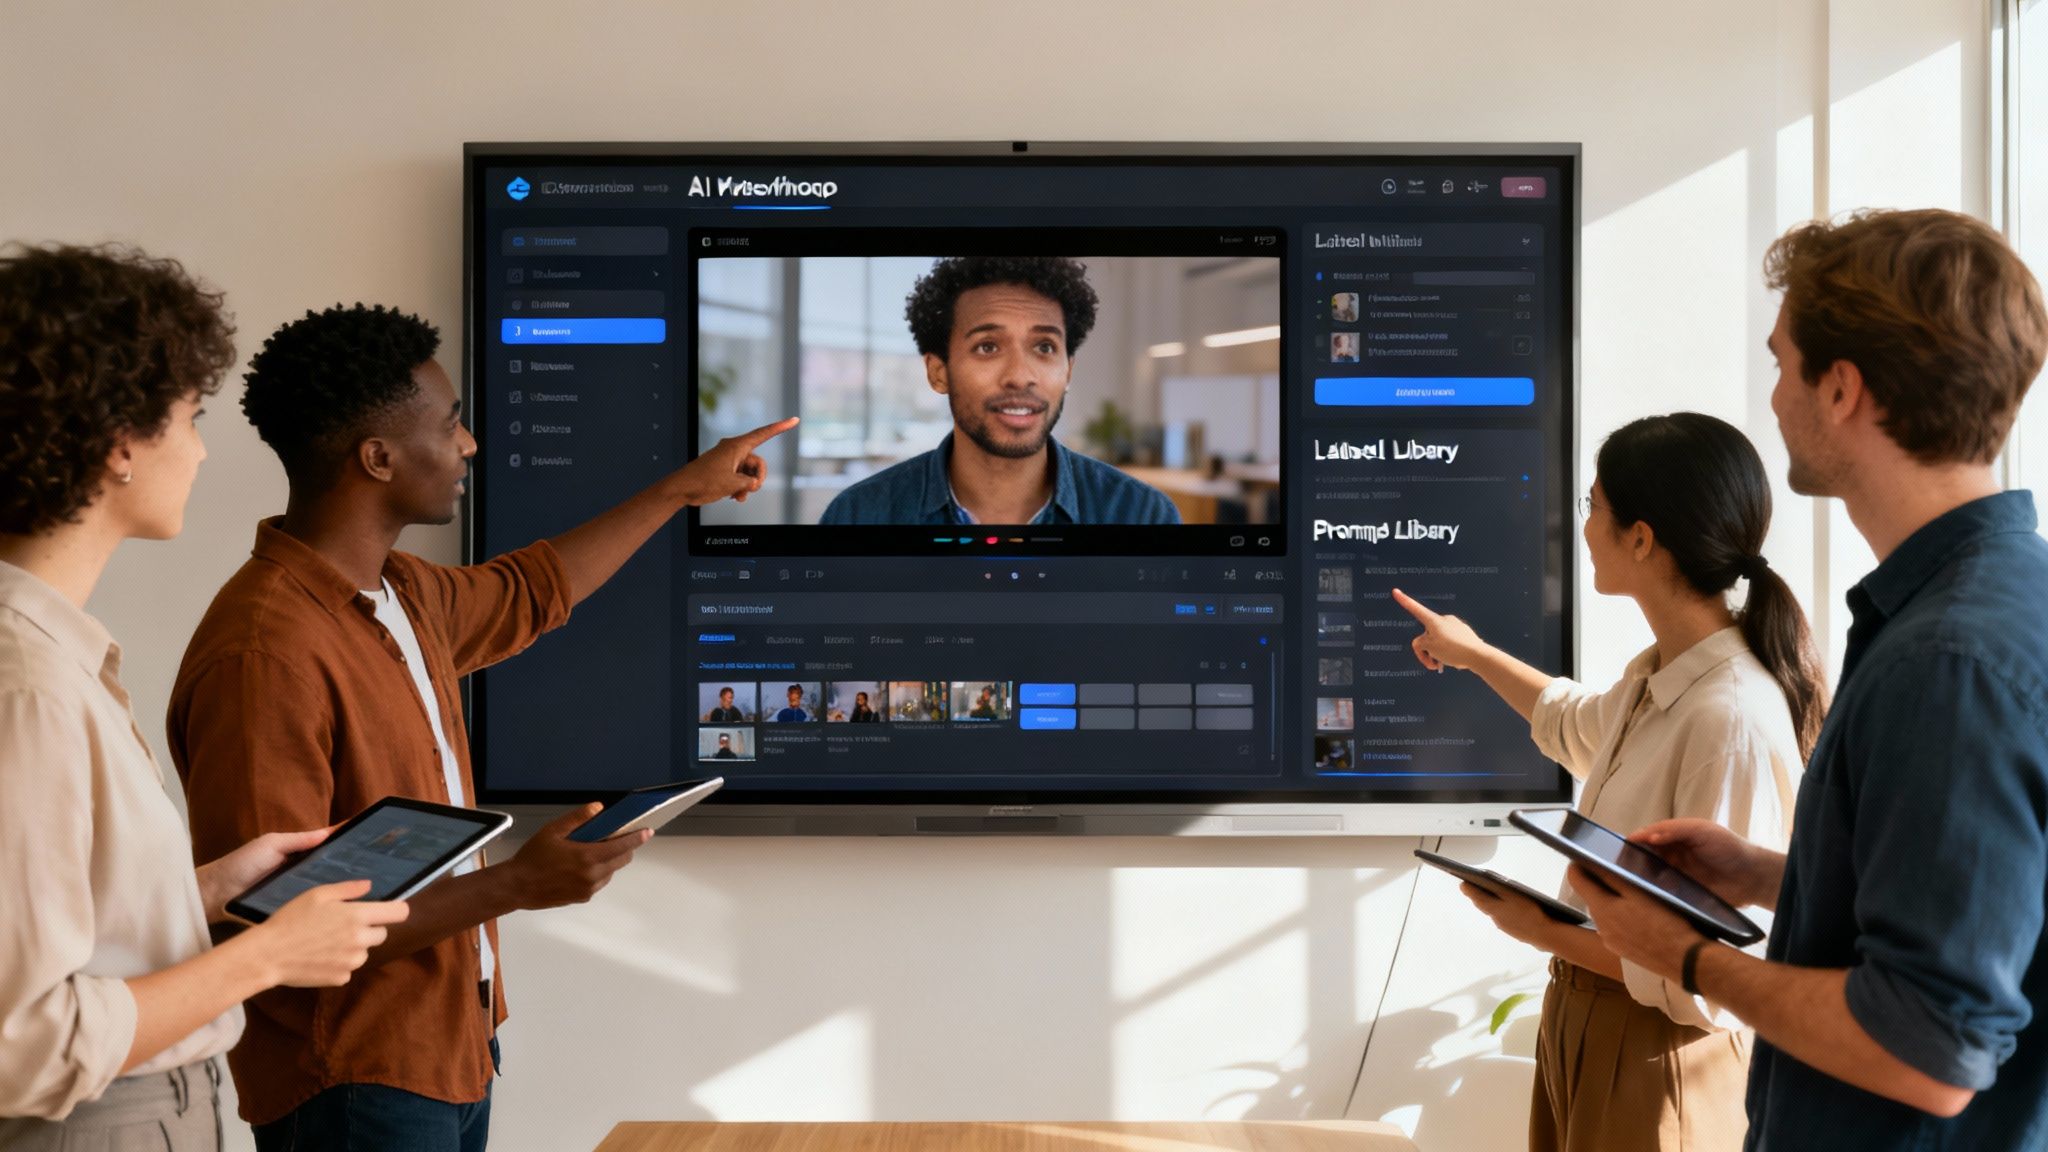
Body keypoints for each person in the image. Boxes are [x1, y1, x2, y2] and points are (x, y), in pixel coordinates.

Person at [167, 303, 795, 1151]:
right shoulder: (264, 654)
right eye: (453, 422)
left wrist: (685, 488)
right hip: (353, 1082)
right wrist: (515, 885)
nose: (468, 444)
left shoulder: (404, 595)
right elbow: (274, 929)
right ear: (377, 457)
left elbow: (538, 588)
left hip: (453, 1050)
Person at [1572, 209, 2048, 1150]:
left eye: (1783, 366)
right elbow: (1973, 914)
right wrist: (1770, 877)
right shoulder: (1983, 604)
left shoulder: (1949, 661)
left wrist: (1689, 956)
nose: (1776, 398)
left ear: (1841, 389)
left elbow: (1930, 1047)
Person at [0, 245, 408, 1148]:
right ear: (119, 446)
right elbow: (20, 1041)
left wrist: (213, 892)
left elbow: (59, 932)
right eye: (189, 417)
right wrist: (268, 957)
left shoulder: (53, 661)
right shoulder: (28, 688)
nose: (202, 448)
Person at [1395, 411, 1827, 1152]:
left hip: (1657, 1054)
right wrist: (1471, 654)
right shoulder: (1658, 680)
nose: (1581, 524)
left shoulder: (1730, 716)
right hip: (1588, 1025)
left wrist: (1546, 932)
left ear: (1641, 537)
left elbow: (1707, 977)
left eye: (1593, 504)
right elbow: (1572, 722)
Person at [818, 256, 1179, 526]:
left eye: (1044, 347)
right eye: (988, 346)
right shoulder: (858, 516)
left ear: (1068, 371)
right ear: (938, 372)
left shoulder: (1143, 516)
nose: (1020, 377)